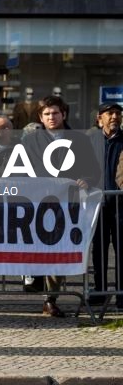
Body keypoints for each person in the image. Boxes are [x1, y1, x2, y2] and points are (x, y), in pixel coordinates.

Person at [22, 96, 99, 317]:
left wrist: (86, 179)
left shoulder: (80, 140)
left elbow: (93, 169)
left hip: (66, 204)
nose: (51, 117)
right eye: (46, 114)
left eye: (55, 113)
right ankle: (32, 278)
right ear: (40, 117)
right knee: (34, 246)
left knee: (58, 248)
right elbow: (20, 167)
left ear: (63, 114)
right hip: (37, 202)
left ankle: (50, 298)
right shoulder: (31, 140)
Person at [88, 102, 123, 307]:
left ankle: (121, 294)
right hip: (97, 205)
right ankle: (99, 291)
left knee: (121, 250)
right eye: (110, 113)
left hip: (120, 204)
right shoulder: (90, 140)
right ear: (99, 118)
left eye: (118, 114)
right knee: (98, 250)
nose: (115, 117)